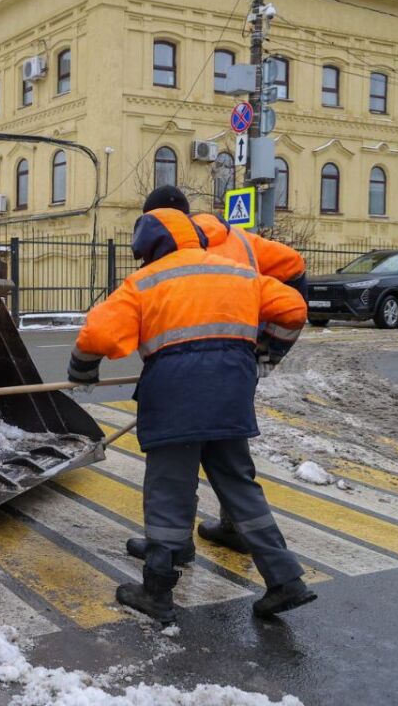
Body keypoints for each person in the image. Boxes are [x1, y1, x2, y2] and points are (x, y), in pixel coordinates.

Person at [68, 208, 315, 622]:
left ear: (148, 248)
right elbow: (293, 307)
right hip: (231, 394)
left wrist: (82, 370)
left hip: (174, 397)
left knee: (169, 489)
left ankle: (157, 591)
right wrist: (268, 352)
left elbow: (98, 334)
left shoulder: (144, 282)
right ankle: (285, 578)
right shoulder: (236, 272)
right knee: (239, 485)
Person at [129, 186, 305, 557]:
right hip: (239, 359)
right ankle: (235, 528)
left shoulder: (171, 247)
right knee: (229, 451)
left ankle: (171, 546)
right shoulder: (239, 238)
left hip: (185, 367)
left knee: (179, 455)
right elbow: (294, 269)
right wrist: (269, 347)